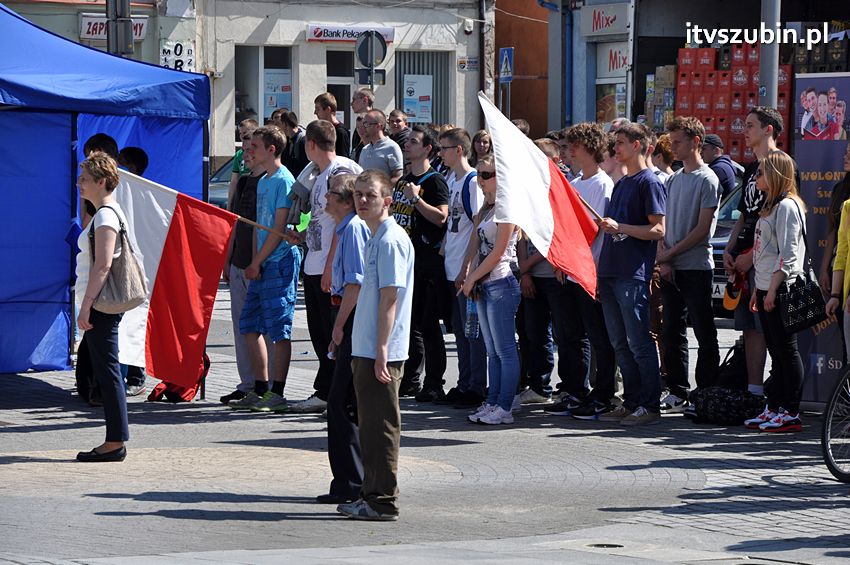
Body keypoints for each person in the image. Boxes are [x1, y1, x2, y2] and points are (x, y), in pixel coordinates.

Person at [336, 170, 414, 522]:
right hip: (368, 347)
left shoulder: (390, 240)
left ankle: (382, 501)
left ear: (388, 201)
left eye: (371, 195)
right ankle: (372, 495)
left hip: (380, 351)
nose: (363, 200)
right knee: (369, 426)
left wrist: (382, 348)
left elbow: (390, 298)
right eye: (359, 194)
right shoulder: (375, 236)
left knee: (380, 426)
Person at [288, 120, 362, 414]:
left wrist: (331, 265)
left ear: (311, 145)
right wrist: (303, 236)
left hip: (329, 268)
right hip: (315, 261)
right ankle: (328, 389)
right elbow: (322, 221)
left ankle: (335, 391)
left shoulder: (340, 171)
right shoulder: (319, 174)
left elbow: (343, 221)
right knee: (319, 332)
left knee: (331, 334)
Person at [596, 123, 666, 426]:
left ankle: (649, 405)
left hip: (632, 273)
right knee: (620, 343)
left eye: (621, 142)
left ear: (637, 145)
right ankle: (633, 401)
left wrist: (619, 227)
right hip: (611, 271)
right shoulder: (623, 182)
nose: (615, 149)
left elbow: (658, 229)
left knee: (639, 342)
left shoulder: (649, 182)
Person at [229, 126, 302, 412]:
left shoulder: (284, 180)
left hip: (279, 261)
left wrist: (257, 260)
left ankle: (278, 391)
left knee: (278, 328)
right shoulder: (262, 181)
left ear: (271, 150)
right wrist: (254, 260)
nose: (250, 151)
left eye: (255, 146)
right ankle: (259, 388)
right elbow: (260, 226)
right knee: (249, 324)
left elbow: (278, 228)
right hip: (261, 261)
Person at [723, 107, 790, 399]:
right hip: (741, 261)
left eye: (750, 125)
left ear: (768, 129)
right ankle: (754, 391)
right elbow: (744, 215)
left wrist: (751, 257)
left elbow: (779, 221)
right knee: (748, 326)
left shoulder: (782, 166)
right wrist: (729, 248)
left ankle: (778, 396)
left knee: (768, 328)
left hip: (764, 261)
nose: (744, 131)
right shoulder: (751, 169)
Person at [75, 152, 137, 462]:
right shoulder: (106, 213)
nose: (79, 183)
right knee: (107, 371)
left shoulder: (105, 216)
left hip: (101, 303)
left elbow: (102, 266)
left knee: (108, 372)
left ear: (101, 182)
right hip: (100, 302)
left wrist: (86, 306)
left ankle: (115, 441)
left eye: (85, 178)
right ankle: (115, 439)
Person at [656, 117, 721, 412]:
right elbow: (663, 223)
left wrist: (669, 254)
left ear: (696, 142)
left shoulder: (708, 179)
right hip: (672, 266)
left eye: (678, 142)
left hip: (695, 267)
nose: (673, 147)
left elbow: (702, 230)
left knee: (704, 331)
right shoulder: (673, 179)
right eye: (671, 141)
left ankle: (706, 392)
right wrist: (664, 255)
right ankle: (677, 390)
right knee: (672, 329)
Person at [744, 151, 807, 433]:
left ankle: (790, 411)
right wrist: (758, 290)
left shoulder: (788, 207)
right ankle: (775, 406)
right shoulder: (773, 204)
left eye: (761, 173)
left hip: (781, 288)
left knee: (786, 351)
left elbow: (788, 255)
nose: (756, 177)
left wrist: (771, 290)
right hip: (765, 287)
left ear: (776, 175)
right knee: (776, 351)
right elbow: (764, 252)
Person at [558, 122, 617, 419]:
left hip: (590, 271)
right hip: (571, 270)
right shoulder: (576, 182)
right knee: (572, 335)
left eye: (575, 145)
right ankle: (576, 390)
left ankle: (604, 394)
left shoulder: (602, 184)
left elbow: (592, 230)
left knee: (599, 337)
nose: (570, 150)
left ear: (590, 148)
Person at [318, 173, 371, 505]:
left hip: (351, 315)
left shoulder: (352, 229)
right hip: (346, 313)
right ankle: (346, 481)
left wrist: (338, 327)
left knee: (341, 402)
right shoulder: (345, 228)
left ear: (346, 200)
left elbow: (356, 282)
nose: (326, 197)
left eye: (332, 192)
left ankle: (352, 482)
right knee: (340, 401)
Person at [390, 125, 450, 400]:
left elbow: (441, 217)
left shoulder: (434, 181)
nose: (407, 145)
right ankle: (411, 379)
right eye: (408, 141)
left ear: (428, 149)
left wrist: (417, 200)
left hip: (427, 264)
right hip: (405, 262)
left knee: (428, 326)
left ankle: (435, 383)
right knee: (410, 323)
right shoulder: (403, 181)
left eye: (414, 142)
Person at [462, 155, 521, 425]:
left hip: (501, 283)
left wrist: (471, 278)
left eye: (487, 175)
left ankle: (505, 405)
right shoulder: (486, 208)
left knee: (505, 350)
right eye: (479, 174)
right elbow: (476, 247)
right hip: (485, 285)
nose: (481, 180)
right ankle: (494, 401)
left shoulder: (507, 208)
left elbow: (498, 253)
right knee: (492, 351)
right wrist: (469, 275)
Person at [438, 127, 487, 407]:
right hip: (452, 264)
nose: (440, 154)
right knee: (459, 330)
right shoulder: (451, 179)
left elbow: (477, 226)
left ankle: (476, 386)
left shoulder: (471, 181)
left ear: (458, 150)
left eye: (444, 149)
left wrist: (467, 267)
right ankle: (464, 381)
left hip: (465, 269)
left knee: (472, 332)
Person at [219, 135, 265, 404]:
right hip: (238, 262)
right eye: (243, 150)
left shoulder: (272, 181)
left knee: (262, 329)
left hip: (258, 265)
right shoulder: (244, 182)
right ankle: (247, 382)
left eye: (251, 150)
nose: (245, 155)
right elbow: (234, 222)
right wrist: (227, 259)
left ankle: (265, 383)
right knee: (241, 327)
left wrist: (257, 261)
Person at [824, 142, 850, 356]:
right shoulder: (840, 190)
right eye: (846, 152)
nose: (846, 157)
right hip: (840, 271)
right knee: (845, 340)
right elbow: (834, 235)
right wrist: (824, 268)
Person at [358, 110, 404, 185]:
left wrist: (380, 189)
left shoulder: (392, 147)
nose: (363, 128)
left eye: (367, 124)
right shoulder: (365, 149)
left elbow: (398, 176)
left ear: (378, 126)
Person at [228, 119, 259, 208]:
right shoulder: (239, 154)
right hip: (242, 194)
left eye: (244, 133)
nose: (242, 136)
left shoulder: (259, 152)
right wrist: (229, 204)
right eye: (240, 133)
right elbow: (234, 180)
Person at [700, 134, 737, 202]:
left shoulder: (719, 169)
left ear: (716, 150)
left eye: (704, 149)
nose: (700, 152)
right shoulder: (723, 165)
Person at [314, 93, 351, 157]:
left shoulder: (340, 132)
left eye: (318, 109)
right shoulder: (323, 130)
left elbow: (343, 158)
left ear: (328, 109)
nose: (315, 112)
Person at [277, 110, 310, 178]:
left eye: (280, 124)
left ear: (285, 124)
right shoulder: (286, 140)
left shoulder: (303, 141)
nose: (279, 128)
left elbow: (306, 166)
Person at [350, 88, 375, 153]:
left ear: (365, 100)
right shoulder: (359, 121)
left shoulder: (376, 123)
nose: (351, 103)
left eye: (354, 99)